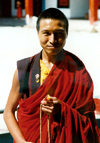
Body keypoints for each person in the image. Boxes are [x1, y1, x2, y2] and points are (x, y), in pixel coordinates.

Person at [3, 8, 100, 143]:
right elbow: (8, 112)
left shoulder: (78, 71)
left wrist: (63, 110)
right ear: (38, 33)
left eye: (59, 33)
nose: (52, 40)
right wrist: (21, 141)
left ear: (67, 34)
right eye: (46, 33)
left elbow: (88, 123)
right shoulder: (25, 69)